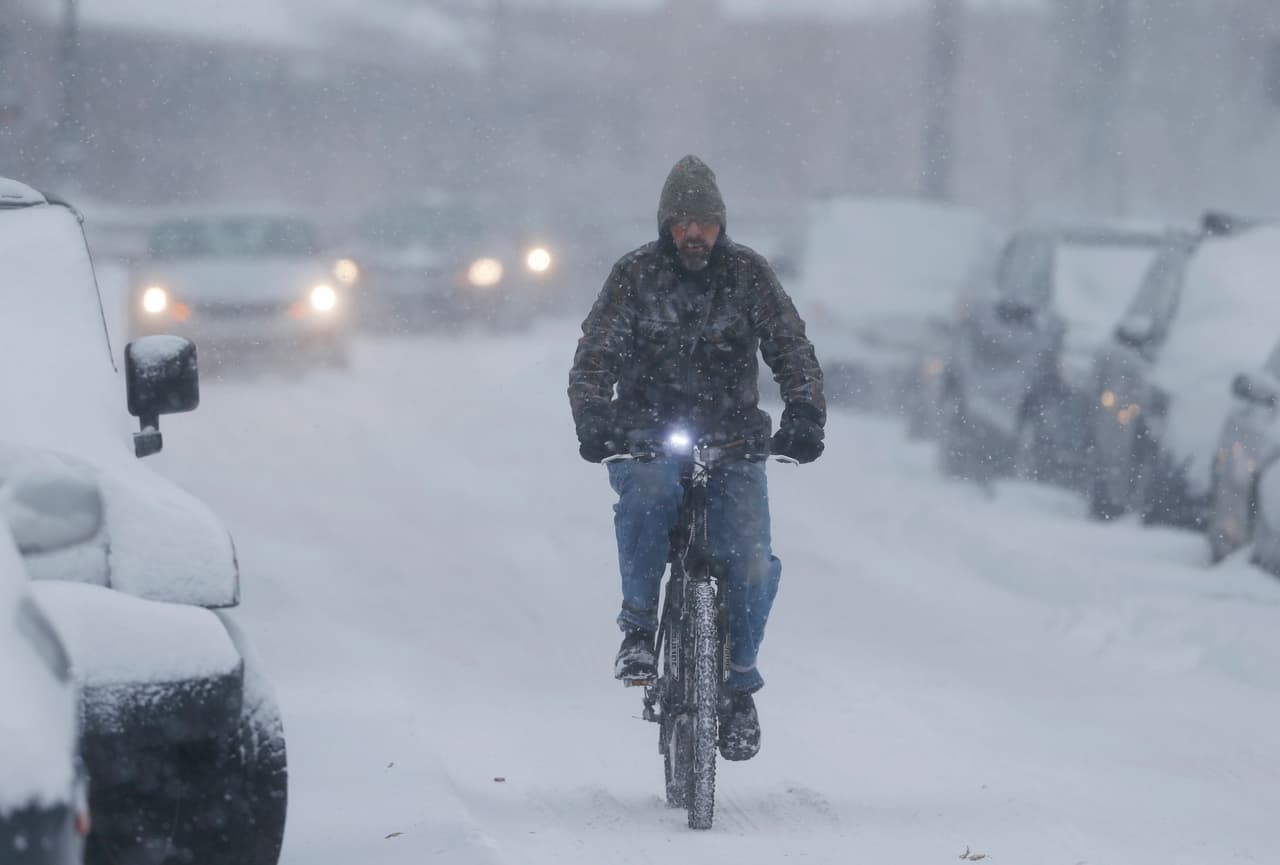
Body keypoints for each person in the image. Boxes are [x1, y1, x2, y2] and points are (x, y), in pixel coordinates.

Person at [568, 154, 825, 761]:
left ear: (721, 226)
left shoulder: (748, 275)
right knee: (648, 496)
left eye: (706, 222)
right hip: (648, 436)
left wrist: (805, 413)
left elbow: (791, 345)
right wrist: (594, 418)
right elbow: (595, 354)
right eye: (684, 220)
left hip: (734, 439)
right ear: (666, 223)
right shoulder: (634, 276)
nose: (695, 233)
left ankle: (738, 685)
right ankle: (638, 626)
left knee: (754, 563)